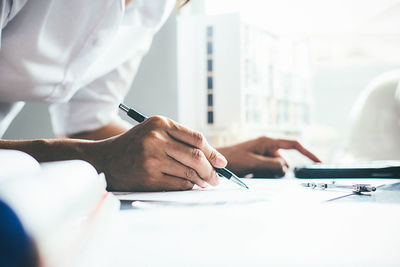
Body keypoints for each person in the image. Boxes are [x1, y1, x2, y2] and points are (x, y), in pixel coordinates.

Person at [0, 0, 320, 191]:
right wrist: (97, 158)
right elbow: (96, 149)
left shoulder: (155, 6)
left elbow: (88, 125)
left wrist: (207, 158)